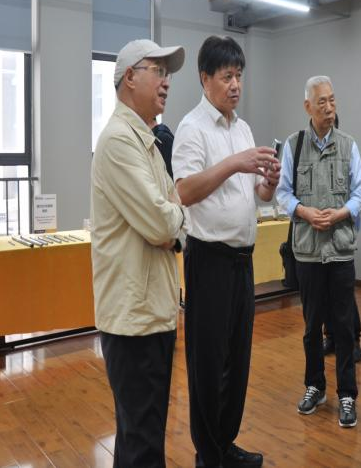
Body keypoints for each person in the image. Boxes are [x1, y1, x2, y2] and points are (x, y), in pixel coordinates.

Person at [171, 35, 280, 468]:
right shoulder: (192, 128)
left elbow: (257, 195)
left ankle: (225, 442)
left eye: (239, 76)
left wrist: (268, 183)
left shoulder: (243, 128)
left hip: (241, 261)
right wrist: (236, 163)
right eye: (227, 76)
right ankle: (208, 455)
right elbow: (184, 190)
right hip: (209, 260)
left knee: (237, 358)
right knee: (208, 361)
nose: (236, 85)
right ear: (205, 79)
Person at [91, 39, 186, 468]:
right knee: (143, 444)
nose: (166, 82)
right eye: (158, 71)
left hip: (151, 313)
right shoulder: (119, 141)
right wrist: (173, 220)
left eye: (168, 74)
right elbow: (164, 222)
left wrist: (172, 220)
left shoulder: (144, 140)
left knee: (141, 439)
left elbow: (170, 216)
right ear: (130, 77)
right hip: (135, 320)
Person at [276, 75, 361, 429]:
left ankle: (347, 394)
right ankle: (315, 386)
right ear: (308, 107)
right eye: (322, 102)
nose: (329, 107)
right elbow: (283, 193)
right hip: (309, 254)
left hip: (341, 251)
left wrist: (341, 213)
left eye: (332, 100)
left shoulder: (348, 145)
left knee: (343, 328)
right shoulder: (294, 145)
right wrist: (304, 211)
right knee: (312, 326)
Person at [322, 116, 361, 363]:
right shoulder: (309, 151)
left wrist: (340, 216)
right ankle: (330, 336)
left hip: (342, 232)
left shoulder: (347, 149)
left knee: (344, 295)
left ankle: (353, 340)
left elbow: (359, 193)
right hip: (319, 235)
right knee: (325, 292)